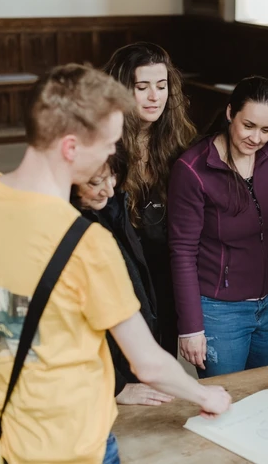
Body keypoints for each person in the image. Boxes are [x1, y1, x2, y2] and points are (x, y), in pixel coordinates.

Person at [0, 64, 230, 464]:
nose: (111, 157)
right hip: (69, 443)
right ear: (70, 148)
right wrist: (208, 395)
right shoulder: (87, 244)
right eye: (107, 146)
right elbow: (148, 363)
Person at [168, 76, 268, 378]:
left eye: (266, 129)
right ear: (230, 113)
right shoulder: (192, 170)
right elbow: (182, 252)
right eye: (249, 126)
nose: (257, 138)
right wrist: (191, 327)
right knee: (225, 403)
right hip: (219, 311)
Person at [103, 42, 197, 357]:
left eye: (161, 86)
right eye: (142, 87)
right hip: (118, 278)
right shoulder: (102, 147)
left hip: (165, 274)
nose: (154, 96)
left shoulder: (176, 143)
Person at [73, 157, 171, 407]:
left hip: (130, 360)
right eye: (96, 182)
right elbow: (72, 328)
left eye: (112, 176)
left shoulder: (111, 207)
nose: (109, 188)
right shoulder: (67, 231)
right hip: (99, 384)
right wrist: (117, 386)